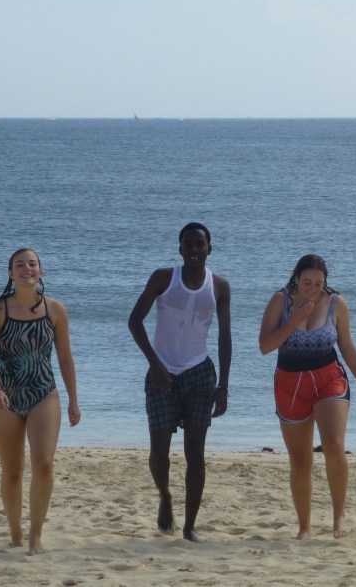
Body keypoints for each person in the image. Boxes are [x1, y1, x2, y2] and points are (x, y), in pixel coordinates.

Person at [128, 222, 232, 543]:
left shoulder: (219, 287)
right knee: (159, 454)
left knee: (195, 454)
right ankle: (165, 497)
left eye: (200, 244)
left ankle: (189, 527)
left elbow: (225, 337)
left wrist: (223, 386)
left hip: (200, 374)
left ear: (209, 249)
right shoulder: (163, 278)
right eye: (188, 244)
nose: (194, 249)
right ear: (180, 249)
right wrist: (155, 363)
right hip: (162, 374)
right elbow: (134, 321)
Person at [259, 254, 356, 540]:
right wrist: (295, 320)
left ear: (325, 282)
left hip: (328, 378)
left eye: (318, 283)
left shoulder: (336, 303)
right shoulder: (280, 301)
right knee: (301, 461)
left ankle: (339, 517)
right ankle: (305, 528)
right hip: (290, 383)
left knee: (334, 446)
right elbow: (265, 346)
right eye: (307, 282)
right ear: (296, 278)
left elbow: (346, 344)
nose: (312, 288)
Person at [0, 248, 81, 555]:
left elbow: (65, 358)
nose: (27, 268)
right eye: (20, 265)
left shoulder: (55, 310)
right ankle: (16, 536)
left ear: (40, 271)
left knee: (44, 464)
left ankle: (36, 536)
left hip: (43, 393)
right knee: (12, 470)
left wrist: (73, 400)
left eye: (32, 264)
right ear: (11, 274)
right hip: (5, 397)